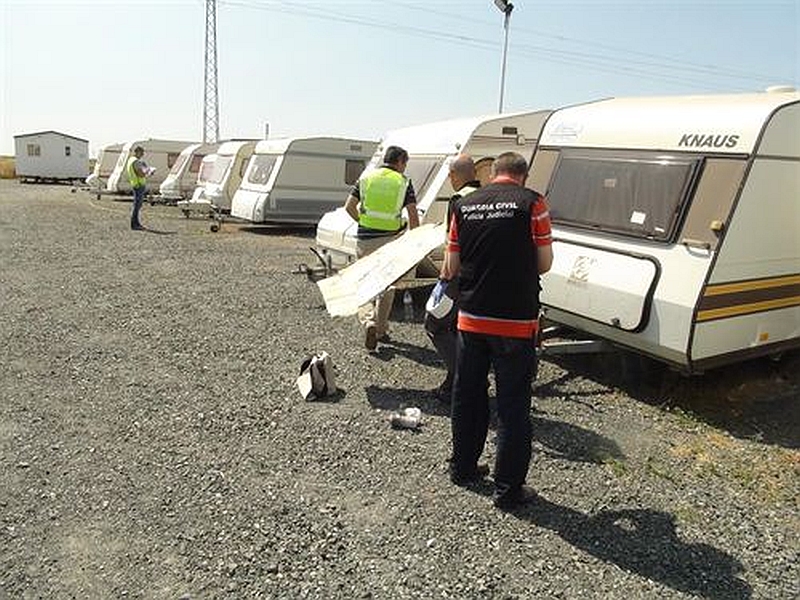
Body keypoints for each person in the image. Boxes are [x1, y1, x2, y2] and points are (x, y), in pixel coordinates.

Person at [441, 151, 553, 510]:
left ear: (491, 174)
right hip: (515, 322)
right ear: (523, 176)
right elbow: (544, 263)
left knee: (467, 395)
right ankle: (508, 490)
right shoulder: (533, 203)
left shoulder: (464, 205)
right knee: (512, 405)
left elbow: (451, 264)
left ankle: (462, 468)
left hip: (471, 318)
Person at [344, 146, 419, 351]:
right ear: (400, 161)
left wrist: (363, 222)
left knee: (364, 284)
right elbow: (413, 217)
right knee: (387, 286)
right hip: (391, 241)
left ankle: (368, 321)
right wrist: (415, 241)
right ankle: (380, 330)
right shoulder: (403, 182)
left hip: (365, 240)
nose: (405, 168)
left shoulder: (366, 179)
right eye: (405, 164)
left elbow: (349, 207)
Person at [424, 154, 481, 402]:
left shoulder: (459, 200)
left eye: (450, 175)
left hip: (460, 275)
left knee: (435, 323)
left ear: (454, 175)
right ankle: (453, 381)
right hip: (482, 276)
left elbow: (453, 242)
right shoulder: (485, 197)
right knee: (461, 328)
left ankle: (463, 380)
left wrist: (445, 275)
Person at [127, 146, 151, 230]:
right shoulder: (136, 162)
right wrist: (147, 172)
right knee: (137, 205)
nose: (142, 154)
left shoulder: (130, 160)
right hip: (139, 185)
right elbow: (140, 174)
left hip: (135, 184)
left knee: (136, 205)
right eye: (141, 152)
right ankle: (135, 224)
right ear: (137, 152)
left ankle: (135, 223)